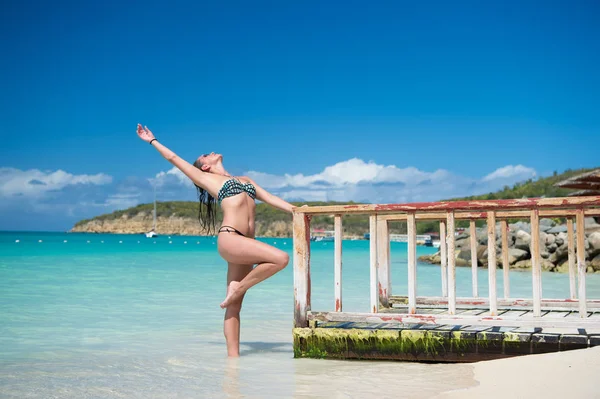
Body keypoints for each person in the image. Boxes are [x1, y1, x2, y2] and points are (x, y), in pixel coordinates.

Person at [136, 124, 298, 357]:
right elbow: (172, 157)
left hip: (245, 245)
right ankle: (239, 288)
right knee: (280, 258)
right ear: (205, 166)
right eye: (205, 155)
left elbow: (271, 198)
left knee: (234, 306)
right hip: (231, 239)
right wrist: (152, 140)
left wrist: (299, 211)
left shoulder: (246, 180)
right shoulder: (206, 179)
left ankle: (233, 362)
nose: (210, 152)